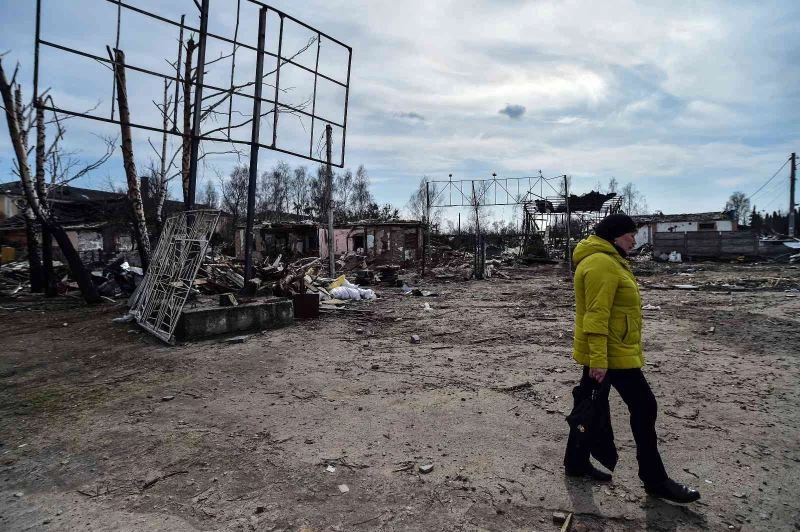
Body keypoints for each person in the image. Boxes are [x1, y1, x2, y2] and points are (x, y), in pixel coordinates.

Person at [563, 213, 700, 504]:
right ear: (615, 235)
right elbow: (596, 316)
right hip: (612, 353)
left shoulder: (607, 259)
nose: (635, 239)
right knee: (645, 406)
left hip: (608, 350)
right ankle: (654, 479)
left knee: (587, 408)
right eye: (631, 234)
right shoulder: (601, 263)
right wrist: (600, 360)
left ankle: (575, 464)